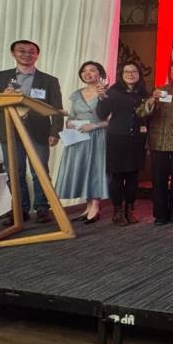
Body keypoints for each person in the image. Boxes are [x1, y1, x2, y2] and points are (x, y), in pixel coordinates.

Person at [0, 40, 63, 224]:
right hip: (9, 131)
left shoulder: (49, 80)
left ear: (37, 55)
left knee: (40, 171)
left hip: (39, 132)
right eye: (21, 51)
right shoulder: (1, 76)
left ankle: (42, 208)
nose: (26, 54)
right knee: (15, 172)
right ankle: (20, 210)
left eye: (31, 51)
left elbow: (57, 108)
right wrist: (2, 95)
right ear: (13, 53)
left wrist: (55, 131)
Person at [55, 61, 110, 224]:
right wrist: (70, 123)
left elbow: (113, 119)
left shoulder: (107, 93)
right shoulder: (76, 94)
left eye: (92, 70)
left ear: (100, 74)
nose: (88, 73)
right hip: (79, 137)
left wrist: (94, 126)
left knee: (95, 169)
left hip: (98, 135)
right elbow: (72, 116)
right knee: (83, 169)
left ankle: (96, 207)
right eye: (84, 71)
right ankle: (88, 206)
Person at [138, 58, 173, 225]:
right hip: (159, 141)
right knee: (159, 181)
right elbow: (141, 113)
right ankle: (160, 215)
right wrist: (152, 100)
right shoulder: (160, 90)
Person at [96, 61, 148, 226]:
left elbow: (147, 115)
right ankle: (117, 212)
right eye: (127, 72)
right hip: (117, 138)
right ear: (121, 74)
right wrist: (102, 98)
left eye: (134, 72)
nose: (130, 74)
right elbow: (101, 114)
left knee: (133, 176)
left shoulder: (144, 92)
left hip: (137, 140)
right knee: (117, 176)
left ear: (139, 74)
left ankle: (129, 210)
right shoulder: (112, 91)